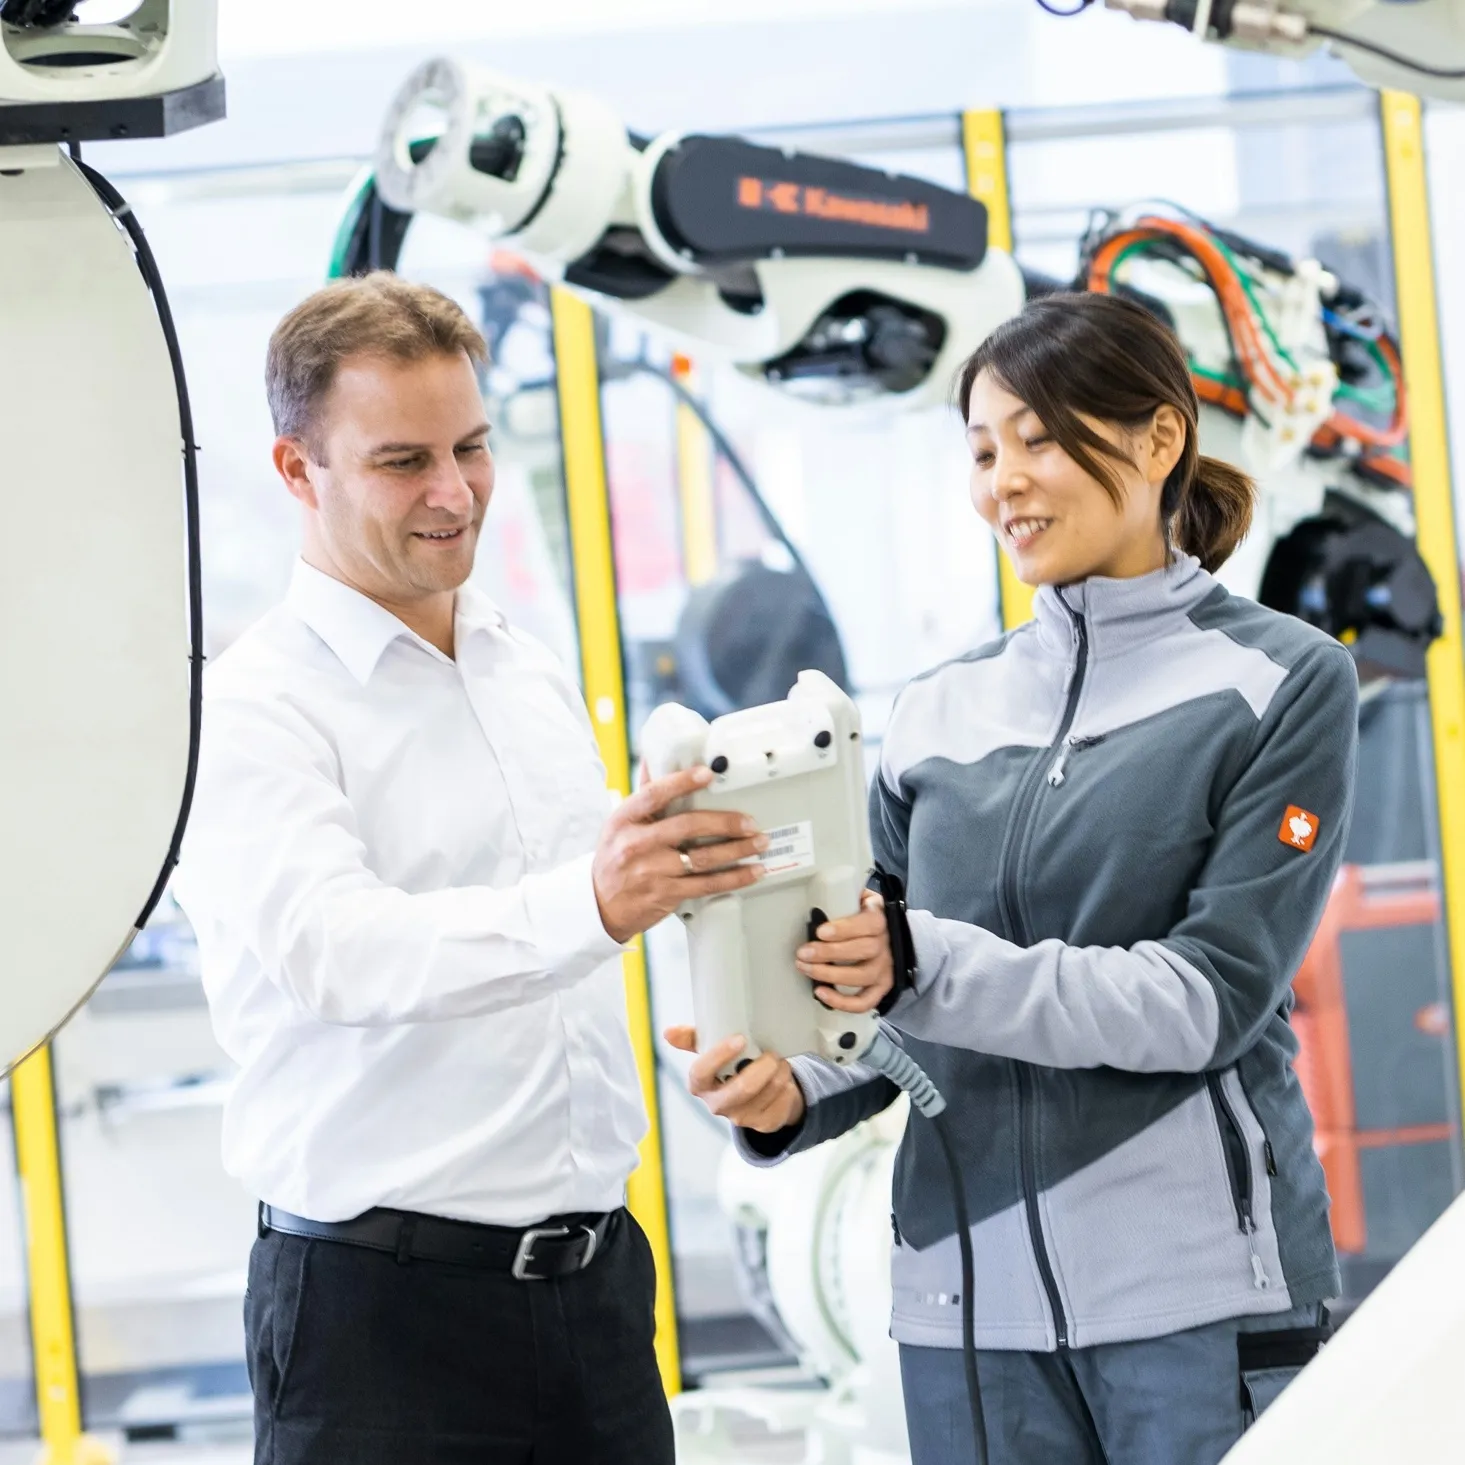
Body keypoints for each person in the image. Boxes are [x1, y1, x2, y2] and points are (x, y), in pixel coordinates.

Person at [673, 291, 1357, 1465]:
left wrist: (919, 963)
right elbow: (882, 1001)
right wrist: (793, 1091)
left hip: (1193, 1303)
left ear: (1158, 440)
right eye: (984, 450)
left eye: (1041, 438)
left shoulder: (1281, 682)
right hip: (965, 1312)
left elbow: (1203, 1001)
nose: (1006, 482)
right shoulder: (935, 711)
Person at [173, 272, 770, 1465]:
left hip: (595, 1294)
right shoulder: (253, 708)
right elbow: (340, 952)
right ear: (298, 471)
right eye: (403, 461)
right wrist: (597, 899)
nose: (455, 493)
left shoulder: (519, 664)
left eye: (473, 446)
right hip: (381, 1323)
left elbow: (572, 901)